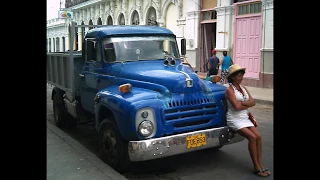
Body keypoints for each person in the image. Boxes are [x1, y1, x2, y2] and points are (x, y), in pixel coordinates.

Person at [225, 64, 271, 177]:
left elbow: (253, 102)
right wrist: (246, 104)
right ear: (233, 77)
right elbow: (236, 107)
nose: (241, 78)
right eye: (239, 76)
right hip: (234, 119)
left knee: (258, 137)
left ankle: (260, 164)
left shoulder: (244, 88)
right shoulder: (230, 90)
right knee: (252, 137)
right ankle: (256, 167)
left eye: (242, 75)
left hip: (244, 117)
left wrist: (243, 103)